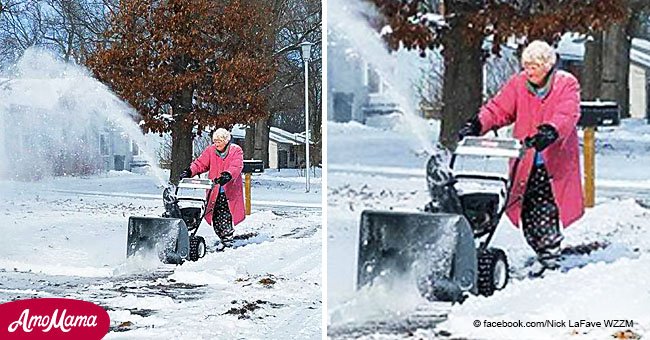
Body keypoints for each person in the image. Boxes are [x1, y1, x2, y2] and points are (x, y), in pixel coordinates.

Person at [458, 40, 584, 277]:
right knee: (526, 209)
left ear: (547, 65)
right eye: (526, 65)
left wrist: (551, 130)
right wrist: (477, 124)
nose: (529, 70)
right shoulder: (518, 84)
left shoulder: (566, 84)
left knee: (546, 208)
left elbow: (567, 113)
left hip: (553, 161)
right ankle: (539, 250)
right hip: (524, 160)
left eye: (534, 65)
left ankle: (550, 258)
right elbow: (498, 109)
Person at [179, 128, 245, 248]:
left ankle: (227, 239)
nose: (217, 143)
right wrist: (189, 171)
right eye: (215, 141)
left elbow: (236, 166)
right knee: (214, 214)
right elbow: (200, 164)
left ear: (226, 141)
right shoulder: (211, 150)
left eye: (219, 141)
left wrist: (228, 175)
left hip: (229, 190)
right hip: (214, 189)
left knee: (225, 214)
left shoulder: (236, 150)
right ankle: (221, 236)